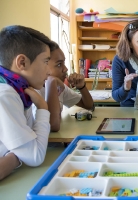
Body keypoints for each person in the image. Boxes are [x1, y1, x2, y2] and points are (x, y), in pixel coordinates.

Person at [0, 25, 55, 180]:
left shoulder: (20, 90)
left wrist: (13, 157)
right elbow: (34, 156)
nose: (49, 71)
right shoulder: (5, 94)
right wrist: (43, 109)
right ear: (22, 63)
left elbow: (31, 138)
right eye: (45, 61)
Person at [33, 42, 94, 132]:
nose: (65, 69)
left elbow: (88, 106)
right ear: (43, 66)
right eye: (59, 64)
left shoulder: (59, 87)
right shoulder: (35, 91)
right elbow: (52, 126)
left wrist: (82, 87)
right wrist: (51, 81)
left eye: (64, 63)